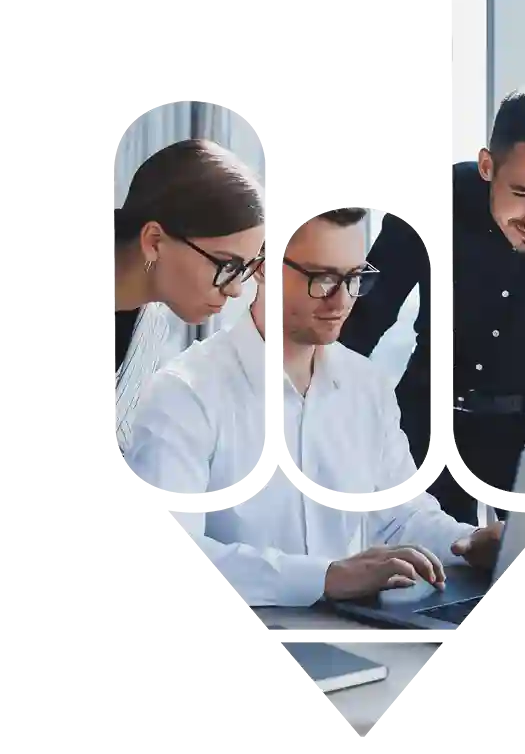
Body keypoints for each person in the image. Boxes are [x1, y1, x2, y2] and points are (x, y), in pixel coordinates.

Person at [125, 206, 503, 608]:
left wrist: (467, 543)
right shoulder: (185, 393)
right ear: (261, 267)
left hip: (358, 633)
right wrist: (325, 577)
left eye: (355, 277)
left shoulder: (366, 386)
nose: (341, 300)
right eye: (322, 279)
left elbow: (400, 517)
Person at [340, 86, 525, 523]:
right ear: (487, 166)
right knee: (418, 573)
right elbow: (359, 324)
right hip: (422, 432)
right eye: (523, 193)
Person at [112, 139, 266, 458]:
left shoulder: (151, 325)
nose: (235, 289)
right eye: (227, 265)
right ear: (154, 241)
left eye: (245, 268)